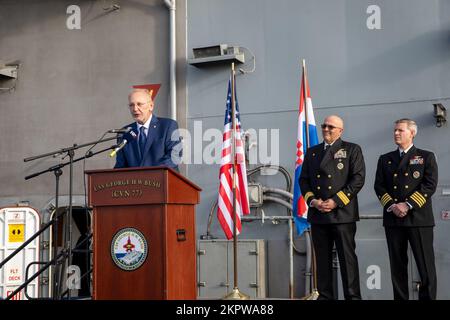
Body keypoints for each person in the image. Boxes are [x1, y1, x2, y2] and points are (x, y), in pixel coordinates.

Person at [300, 115, 365, 300]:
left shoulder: (352, 149)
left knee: (347, 260)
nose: (326, 129)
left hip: (342, 214)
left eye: (331, 126)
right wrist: (313, 201)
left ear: (340, 131)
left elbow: (358, 179)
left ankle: (352, 297)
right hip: (319, 214)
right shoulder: (312, 152)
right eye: (324, 125)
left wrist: (336, 200)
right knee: (322, 261)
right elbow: (303, 180)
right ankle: (325, 297)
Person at [374, 118, 438, 300]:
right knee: (398, 268)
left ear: (412, 133)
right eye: (395, 130)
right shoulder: (385, 159)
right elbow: (379, 186)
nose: (396, 133)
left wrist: (408, 204)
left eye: (400, 130)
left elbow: (429, 185)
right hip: (394, 220)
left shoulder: (426, 156)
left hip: (419, 219)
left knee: (426, 268)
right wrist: (392, 205)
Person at [114, 88, 182, 170]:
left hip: (162, 180)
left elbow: (174, 156)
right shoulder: (124, 132)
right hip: (135, 182)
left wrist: (151, 174)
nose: (135, 109)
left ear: (151, 106)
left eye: (139, 104)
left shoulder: (168, 126)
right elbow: (120, 166)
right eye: (131, 105)